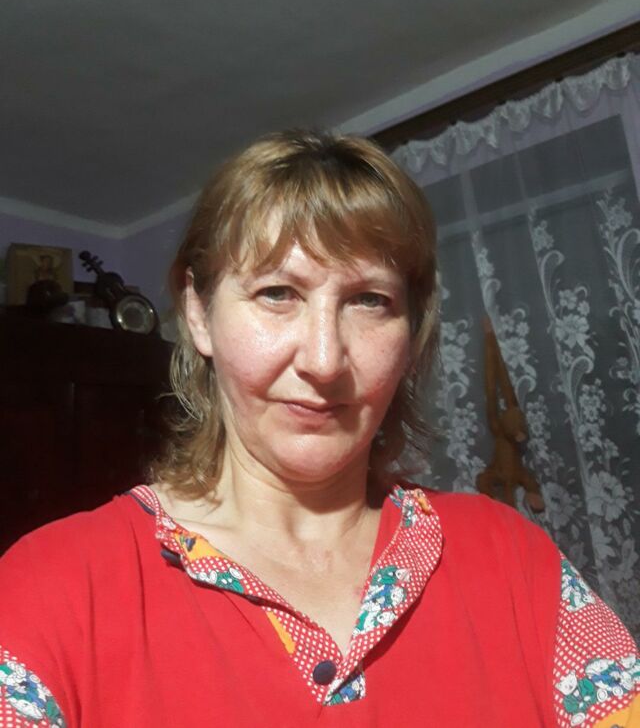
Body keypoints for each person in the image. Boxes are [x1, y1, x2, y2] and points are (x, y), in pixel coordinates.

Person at [0, 129, 637, 727]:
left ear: (410, 334)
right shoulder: (49, 591)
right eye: (278, 293)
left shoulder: (509, 558)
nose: (326, 361)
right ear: (198, 313)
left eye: (370, 301)